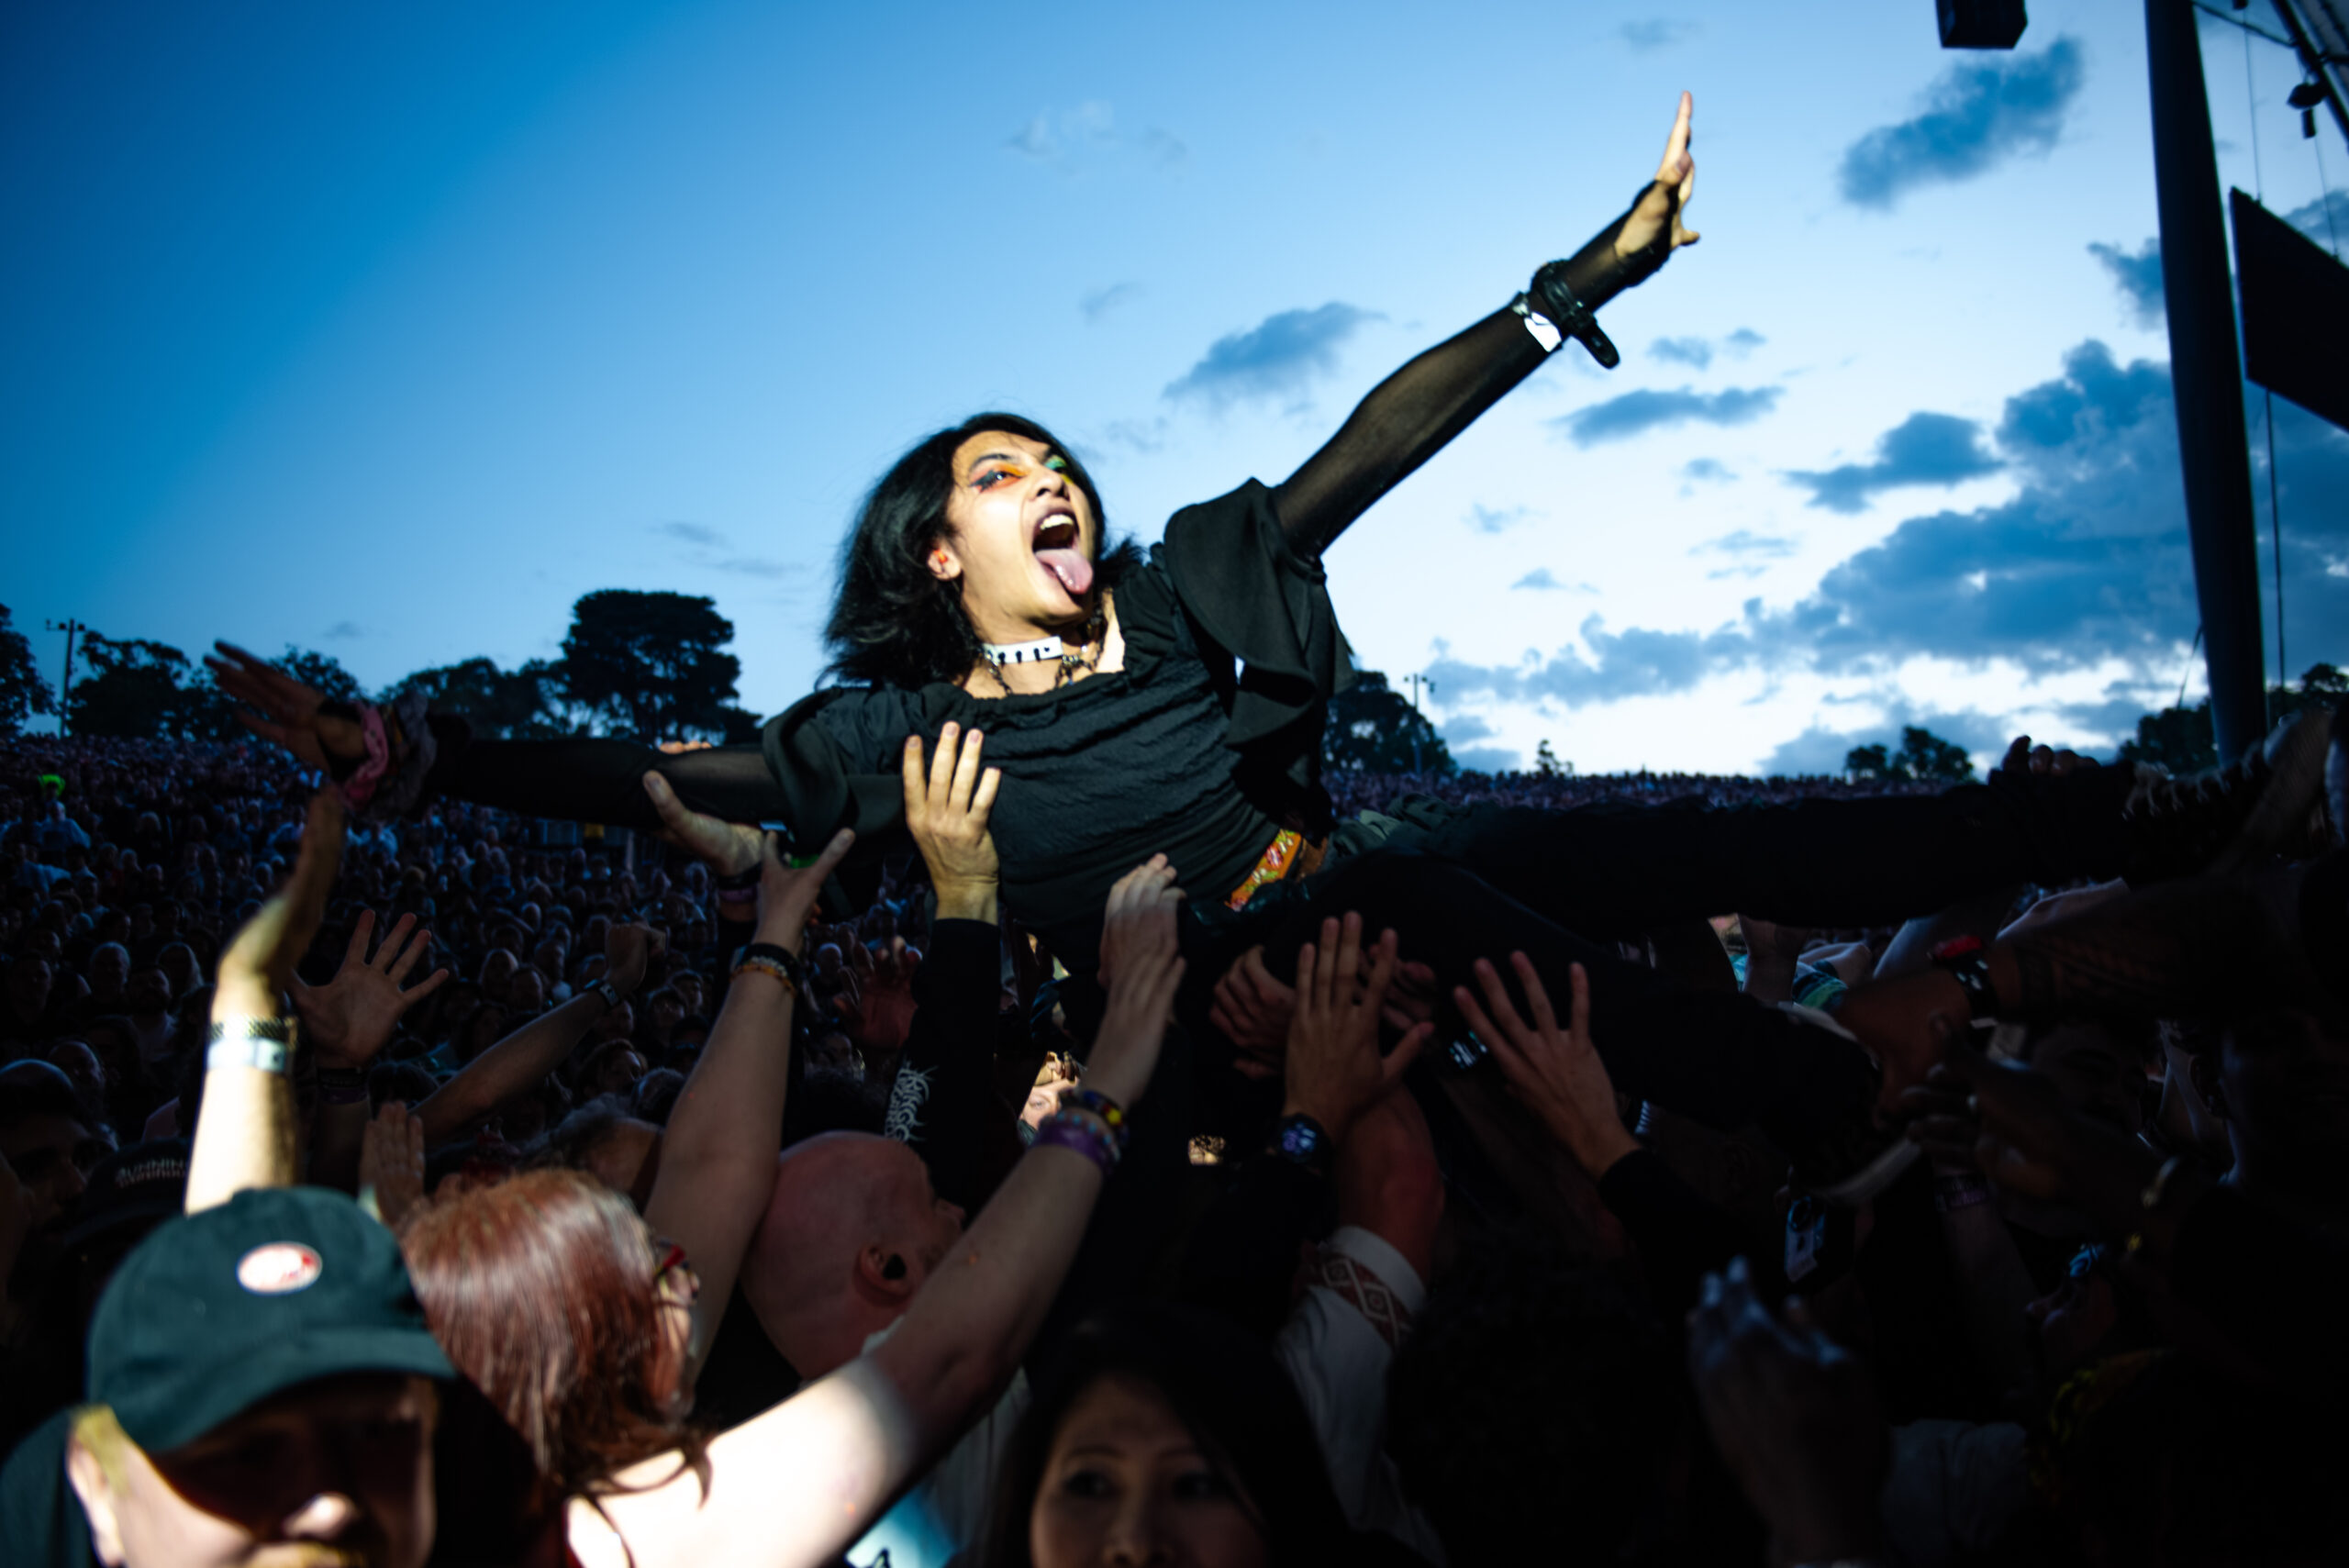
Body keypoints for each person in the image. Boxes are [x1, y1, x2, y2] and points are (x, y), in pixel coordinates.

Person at [204, 93, 2333, 1205]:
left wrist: (1570, 284)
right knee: (1429, 897)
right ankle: (1832, 1091)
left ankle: (2164, 820)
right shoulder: (881, 741)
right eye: (994, 480)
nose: (1050, 485)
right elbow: (637, 782)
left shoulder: (1184, 590)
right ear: (930, 561)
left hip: (1356, 877)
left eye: (1056, 459)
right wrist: (414, 750)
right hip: (1201, 989)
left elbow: (1359, 442)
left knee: (1665, 834)